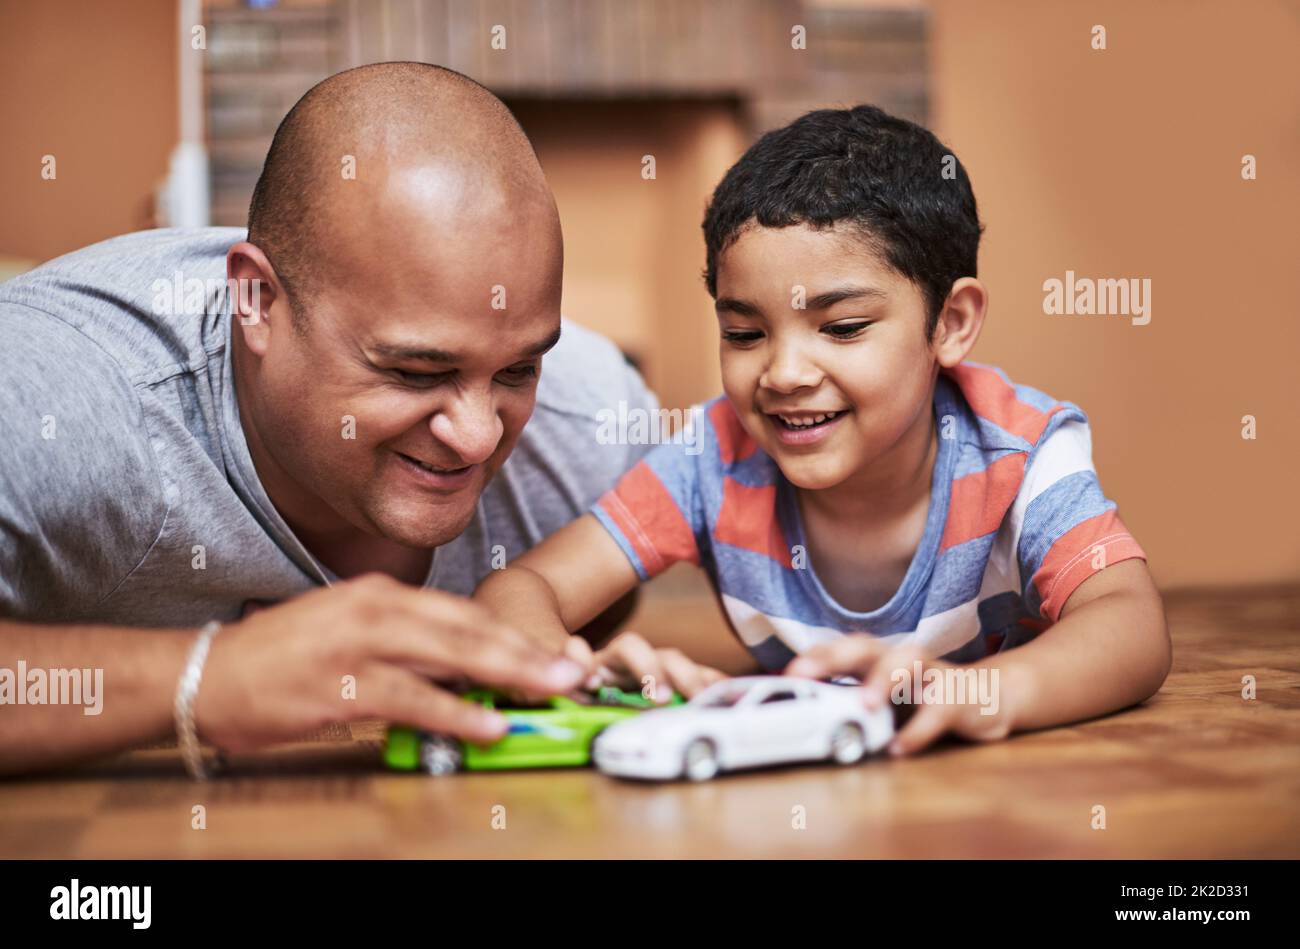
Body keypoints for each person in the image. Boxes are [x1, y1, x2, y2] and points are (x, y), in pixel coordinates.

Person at [0, 63, 662, 775]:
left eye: (518, 371)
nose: (479, 436)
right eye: (416, 372)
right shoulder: (56, 399)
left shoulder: (597, 432)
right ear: (256, 301)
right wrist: (207, 677)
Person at [476, 105, 1172, 754]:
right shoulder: (710, 457)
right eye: (744, 333)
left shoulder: (1020, 452)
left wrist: (985, 691)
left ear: (951, 323)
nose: (782, 373)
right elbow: (518, 589)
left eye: (841, 329)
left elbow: (1131, 626)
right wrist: (565, 668)